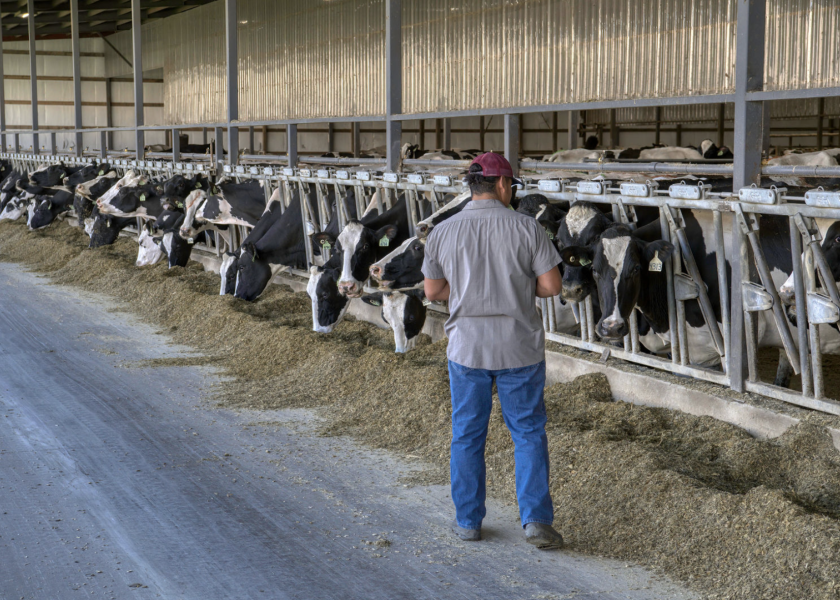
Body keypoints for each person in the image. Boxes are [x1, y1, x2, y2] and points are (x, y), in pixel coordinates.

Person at [422, 152, 565, 549]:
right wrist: (515, 288)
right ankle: (535, 520)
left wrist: (469, 293)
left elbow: (432, 292)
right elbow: (552, 287)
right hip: (519, 350)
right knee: (528, 433)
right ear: (503, 185)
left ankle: (468, 521)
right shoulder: (527, 228)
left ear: (472, 186)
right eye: (512, 186)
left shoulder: (442, 232)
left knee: (467, 435)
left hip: (467, 350)